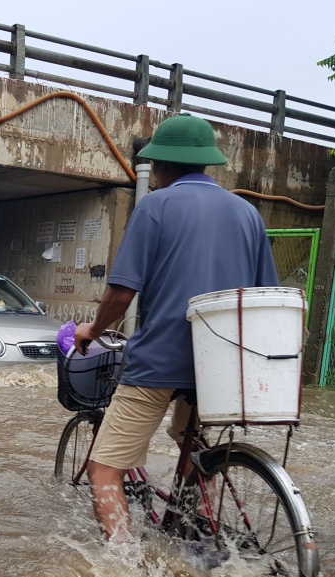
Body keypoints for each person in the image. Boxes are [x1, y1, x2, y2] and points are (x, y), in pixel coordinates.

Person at [72, 113, 279, 542]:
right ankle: (189, 523)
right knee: (193, 441)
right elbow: (265, 298)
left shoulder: (155, 206)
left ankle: (123, 569)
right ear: (206, 163)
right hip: (225, 365)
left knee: (105, 467)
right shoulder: (248, 214)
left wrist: (92, 329)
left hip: (161, 361)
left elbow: (121, 294)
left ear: (160, 164)